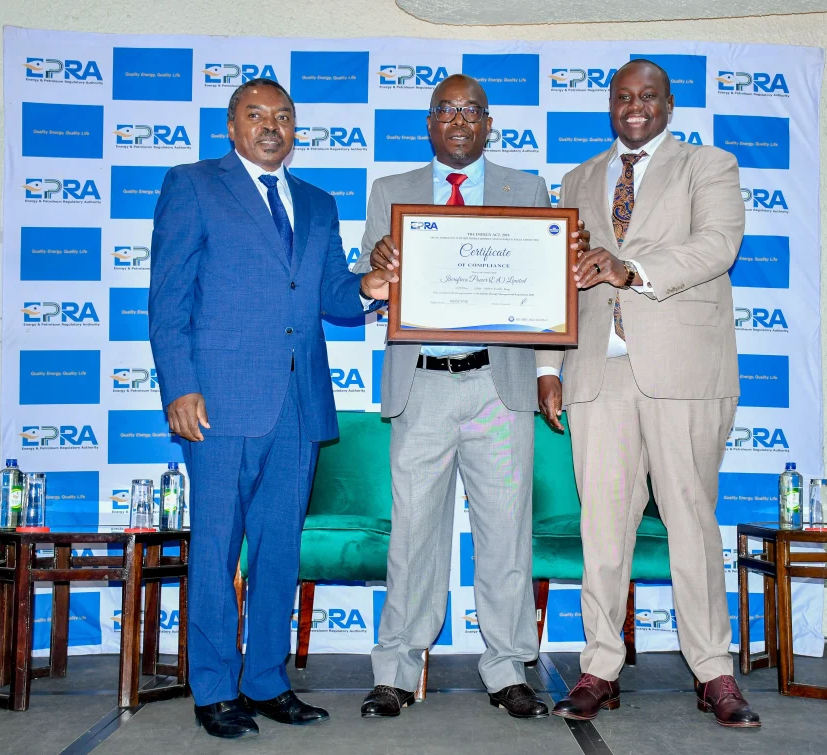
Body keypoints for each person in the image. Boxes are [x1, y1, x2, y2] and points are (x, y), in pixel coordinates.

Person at [148, 78, 392, 739]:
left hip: (299, 403)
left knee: (280, 552)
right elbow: (169, 299)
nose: (270, 125)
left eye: (283, 116)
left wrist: (369, 286)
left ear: (295, 127)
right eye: (255, 114)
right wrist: (178, 385)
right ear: (231, 126)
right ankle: (214, 688)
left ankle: (265, 681)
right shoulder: (192, 185)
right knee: (218, 549)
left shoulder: (316, 201)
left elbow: (333, 295)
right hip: (218, 403)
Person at [353, 73, 587, 720]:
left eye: (471, 110)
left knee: (506, 535)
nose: (458, 120)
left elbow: (548, 292)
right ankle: (397, 669)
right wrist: (378, 272)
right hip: (421, 381)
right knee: (413, 535)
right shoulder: (390, 192)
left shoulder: (528, 189)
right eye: (446, 109)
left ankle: (509, 667)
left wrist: (549, 369)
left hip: (499, 383)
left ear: (489, 125)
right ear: (429, 123)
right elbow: (366, 285)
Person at [536, 59, 761, 728]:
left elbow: (718, 246)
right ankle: (600, 666)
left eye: (649, 96)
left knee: (690, 517)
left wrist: (629, 268)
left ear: (669, 104)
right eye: (624, 97)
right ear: (611, 106)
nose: (635, 107)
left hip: (684, 372)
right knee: (601, 525)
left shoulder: (708, 166)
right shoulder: (577, 178)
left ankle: (712, 669)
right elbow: (559, 275)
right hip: (596, 374)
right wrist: (549, 363)